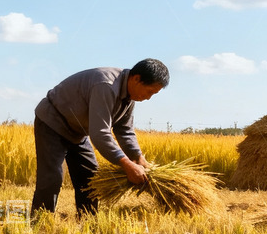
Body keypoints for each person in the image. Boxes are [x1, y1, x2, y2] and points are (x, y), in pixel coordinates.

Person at [31, 58, 170, 219]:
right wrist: (126, 164)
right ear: (137, 79)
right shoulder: (107, 86)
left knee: (90, 176)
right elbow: (100, 134)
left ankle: (87, 220)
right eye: (150, 91)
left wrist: (138, 158)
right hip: (53, 121)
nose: (148, 98)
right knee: (52, 176)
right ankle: (40, 221)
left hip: (78, 131)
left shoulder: (129, 97)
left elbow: (124, 130)